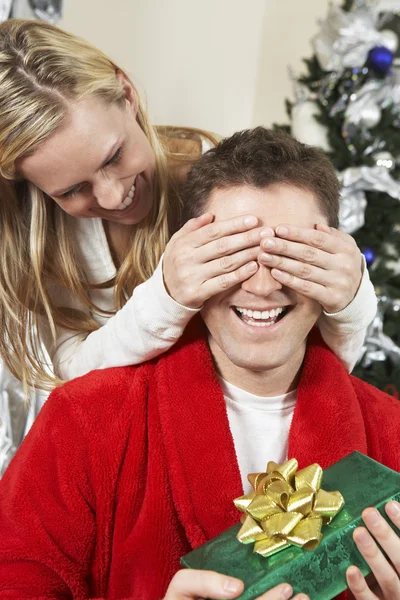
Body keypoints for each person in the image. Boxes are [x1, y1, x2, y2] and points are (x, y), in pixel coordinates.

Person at [0, 128, 398, 600]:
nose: (263, 286)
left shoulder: (390, 432)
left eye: (292, 256)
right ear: (189, 262)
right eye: (232, 255)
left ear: (336, 264)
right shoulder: (83, 421)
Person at [0, 19, 376, 400]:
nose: (112, 197)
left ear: (127, 95)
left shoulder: (221, 188)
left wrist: (350, 301)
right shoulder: (42, 240)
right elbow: (73, 381)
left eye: (114, 156)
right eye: (73, 190)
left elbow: (309, 361)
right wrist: (166, 298)